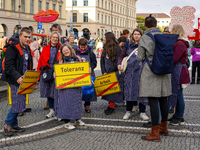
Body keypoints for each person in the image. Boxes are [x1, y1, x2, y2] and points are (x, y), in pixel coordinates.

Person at [137, 14, 171, 141]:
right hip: (165, 70)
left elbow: (140, 58)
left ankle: (155, 133)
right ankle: (164, 127)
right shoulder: (164, 36)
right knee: (164, 99)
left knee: (153, 100)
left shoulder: (145, 37)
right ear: (156, 24)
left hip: (151, 71)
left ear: (146, 26)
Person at [1, 27, 33, 136]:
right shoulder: (12, 48)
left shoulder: (27, 48)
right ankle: (7, 124)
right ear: (20, 37)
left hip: (24, 80)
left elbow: (28, 64)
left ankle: (14, 124)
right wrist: (18, 77)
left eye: (29, 37)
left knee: (21, 101)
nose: (28, 39)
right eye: (25, 37)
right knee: (17, 102)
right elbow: (8, 66)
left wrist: (31, 77)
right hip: (15, 79)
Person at [117, 28, 149, 121]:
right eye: (135, 34)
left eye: (138, 34)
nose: (136, 36)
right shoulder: (128, 45)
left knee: (141, 92)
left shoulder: (144, 45)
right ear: (132, 35)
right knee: (129, 91)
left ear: (141, 36)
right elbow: (121, 56)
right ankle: (128, 111)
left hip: (141, 72)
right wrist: (119, 64)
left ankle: (142, 112)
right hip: (130, 72)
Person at [54, 43, 85, 129]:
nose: (66, 52)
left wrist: (87, 70)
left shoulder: (78, 58)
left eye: (67, 50)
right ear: (62, 53)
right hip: (65, 87)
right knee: (66, 103)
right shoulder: (60, 61)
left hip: (76, 86)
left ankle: (77, 119)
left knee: (77, 102)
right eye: (64, 51)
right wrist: (55, 74)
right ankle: (67, 122)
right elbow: (56, 71)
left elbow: (83, 69)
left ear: (70, 49)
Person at [168, 24, 190, 125]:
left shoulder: (180, 44)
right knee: (178, 94)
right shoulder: (180, 43)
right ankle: (177, 115)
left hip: (179, 71)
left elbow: (175, 59)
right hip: (179, 70)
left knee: (179, 94)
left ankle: (179, 116)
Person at [37, 31, 61, 118]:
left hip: (57, 73)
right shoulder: (45, 48)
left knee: (56, 93)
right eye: (53, 37)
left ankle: (58, 110)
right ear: (50, 38)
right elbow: (40, 61)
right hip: (47, 72)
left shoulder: (61, 48)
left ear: (58, 39)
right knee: (48, 92)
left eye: (56, 37)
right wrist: (39, 75)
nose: (55, 39)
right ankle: (51, 110)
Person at [100, 32, 123, 115]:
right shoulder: (105, 47)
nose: (104, 38)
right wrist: (104, 71)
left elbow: (117, 62)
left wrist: (109, 72)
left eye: (105, 37)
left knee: (112, 91)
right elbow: (102, 60)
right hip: (107, 72)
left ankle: (111, 106)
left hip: (114, 72)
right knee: (108, 91)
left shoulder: (117, 48)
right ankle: (111, 104)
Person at [76, 38, 97, 113]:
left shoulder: (90, 52)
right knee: (78, 90)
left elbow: (94, 62)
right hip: (78, 75)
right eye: (81, 47)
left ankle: (87, 105)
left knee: (88, 90)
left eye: (84, 47)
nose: (83, 48)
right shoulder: (75, 52)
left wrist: (91, 67)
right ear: (79, 45)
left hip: (89, 74)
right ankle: (77, 105)